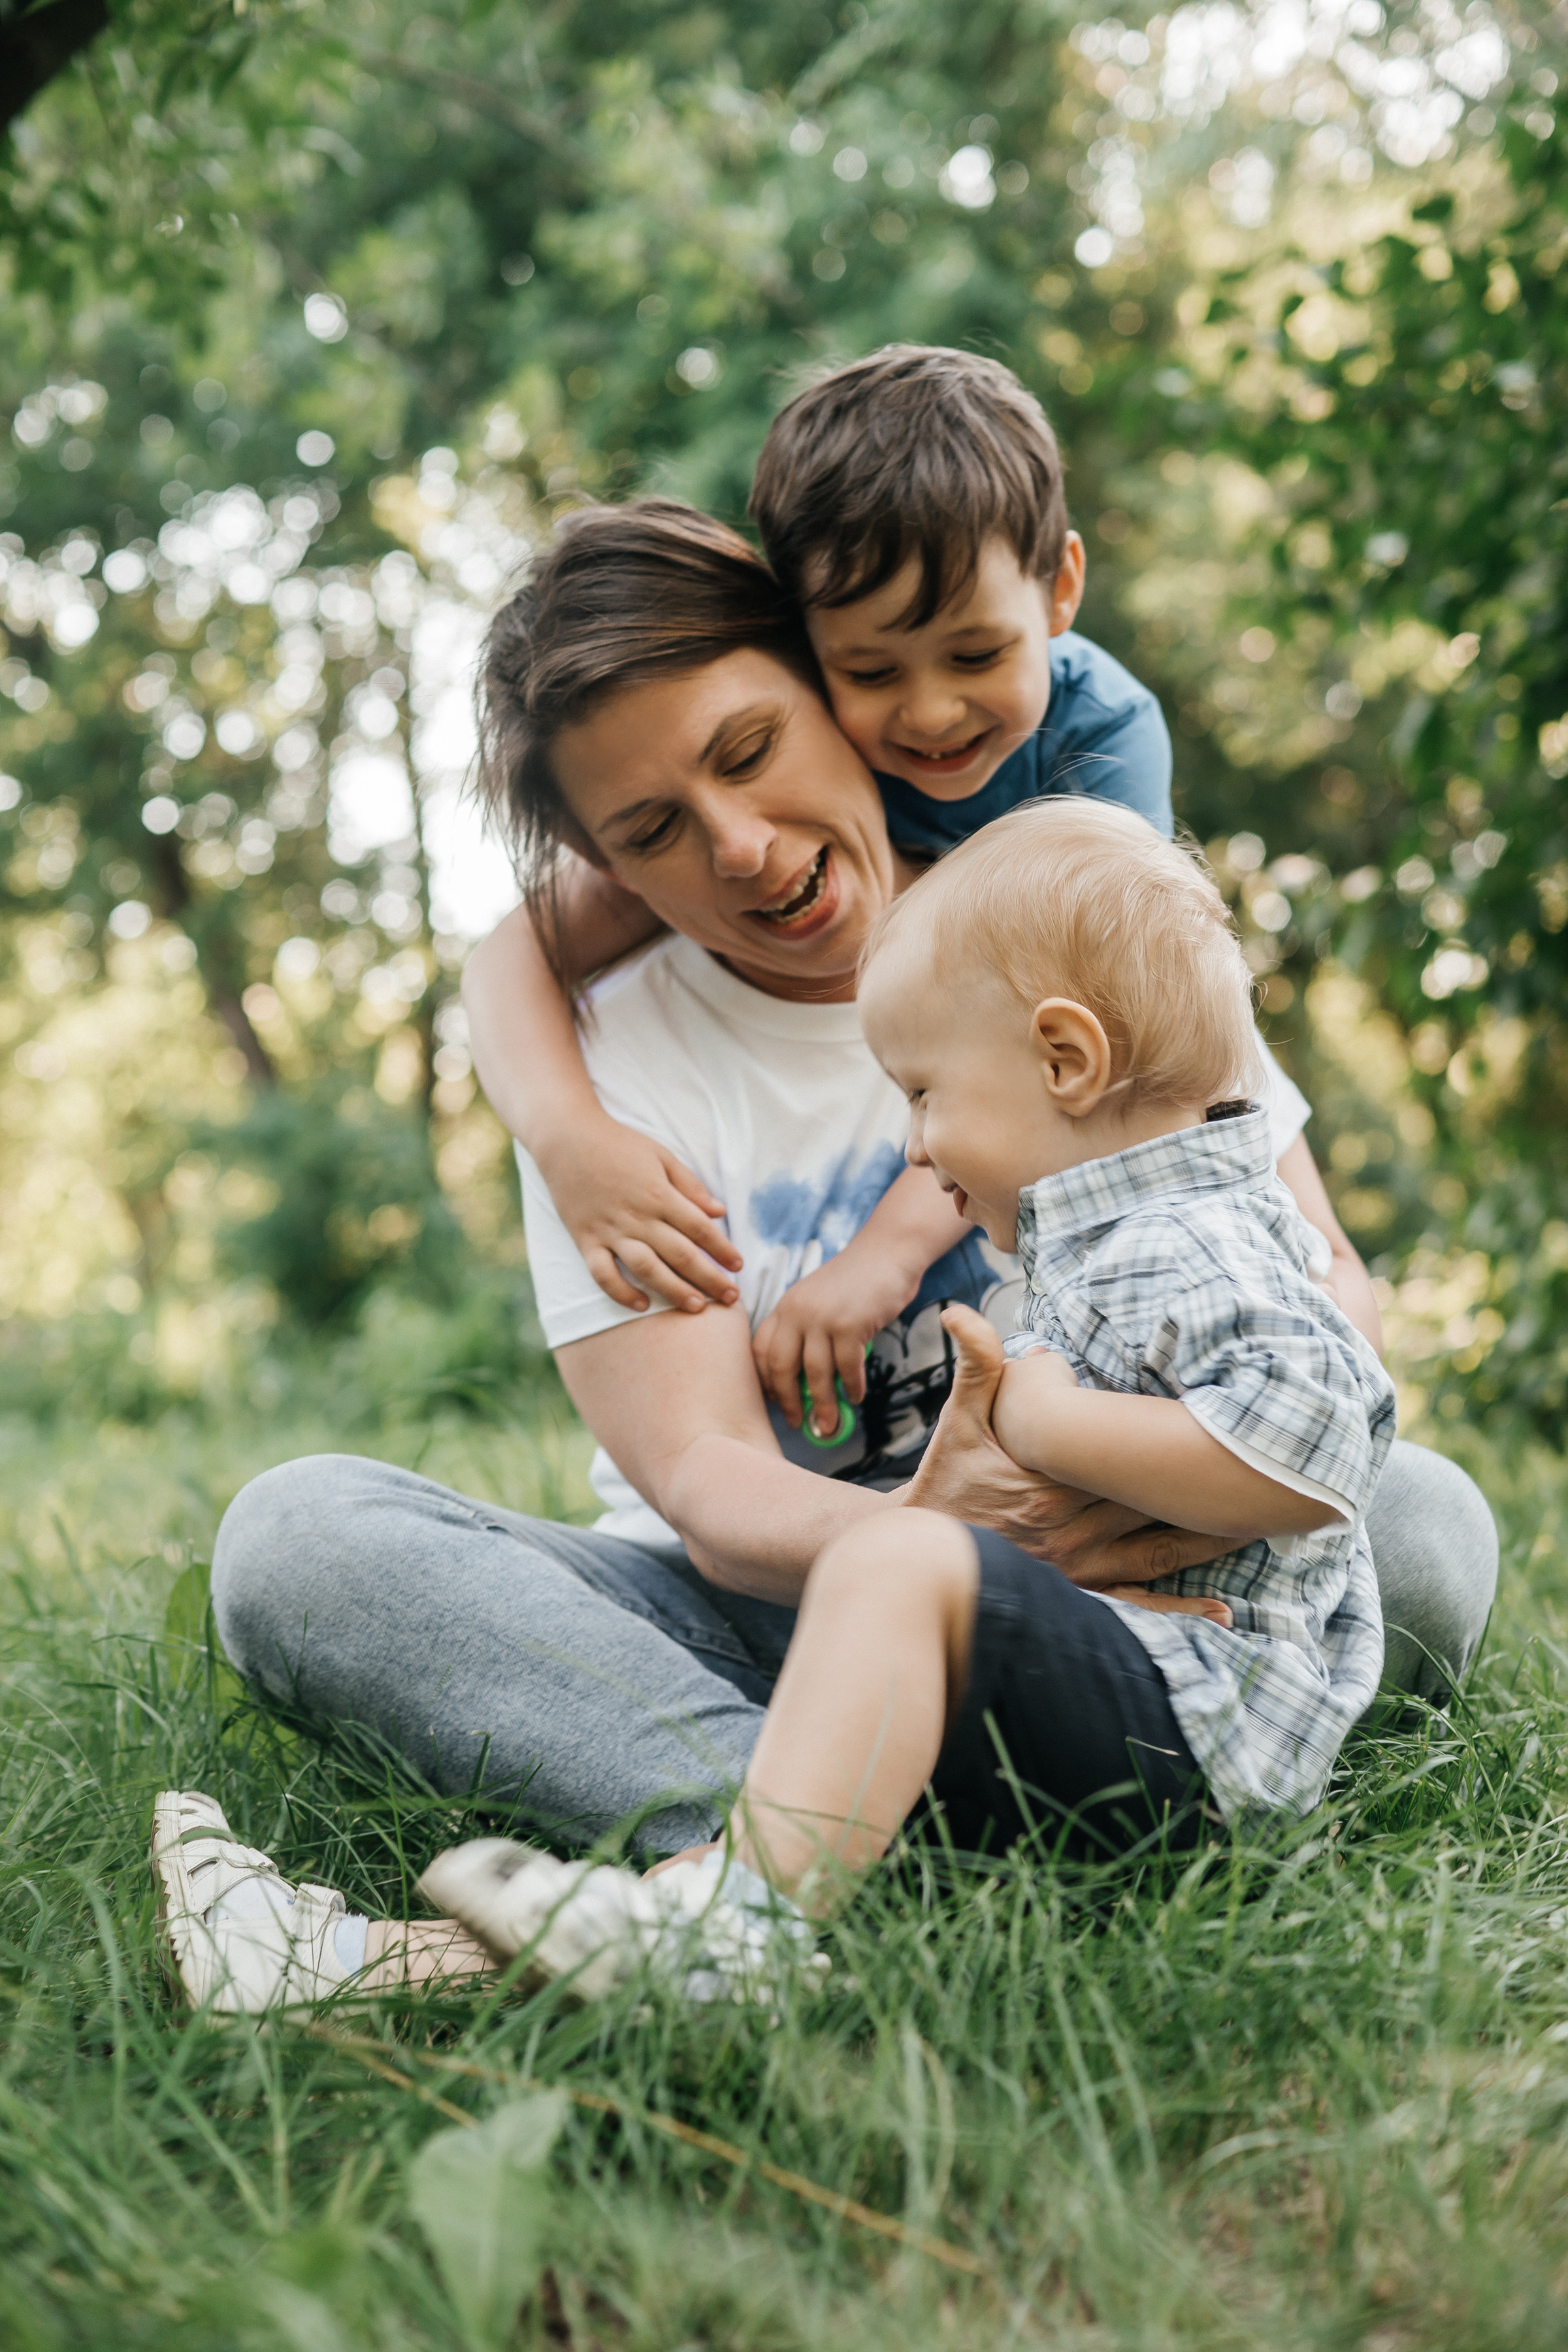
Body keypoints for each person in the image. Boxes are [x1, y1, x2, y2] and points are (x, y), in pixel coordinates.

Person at [152, 507, 1495, 2014]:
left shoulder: (1080, 930)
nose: (739, 846)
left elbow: (1328, 1314)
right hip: (769, 1609)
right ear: (604, 869)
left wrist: (1103, 1503)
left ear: (832, 687)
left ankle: (741, 1897)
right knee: (299, 1541)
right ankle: (804, 1847)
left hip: (1139, 1570)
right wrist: (925, 1533)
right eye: (652, 832)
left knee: (1422, 1523)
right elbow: (710, 1490)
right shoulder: (617, 1072)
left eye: (747, 750)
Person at [419, 799, 1401, 1994]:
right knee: (903, 1565)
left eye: (927, 1095)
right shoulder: (1121, 1232)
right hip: (1128, 1695)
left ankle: (742, 1930)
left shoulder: (1180, 1238)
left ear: (1067, 1060)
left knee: (898, 1564)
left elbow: (1320, 1447)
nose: (918, 1150)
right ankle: (814, 1851)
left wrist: (1047, 1424)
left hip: (1197, 1720)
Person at [463, 346, 1172, 1433]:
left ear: (1061, 588)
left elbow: (1126, 1038)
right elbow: (510, 954)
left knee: (1416, 1520)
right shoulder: (689, 911)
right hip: (783, 1558)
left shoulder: (1099, 765)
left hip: (1094, 1482)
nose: (932, 718)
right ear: (820, 645)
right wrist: (570, 1138)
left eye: (750, 750)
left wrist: (881, 1261)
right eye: (876, 672)